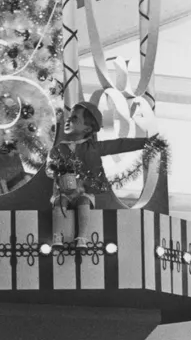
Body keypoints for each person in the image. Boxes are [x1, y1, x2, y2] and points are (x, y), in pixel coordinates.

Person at [47, 99, 157, 245]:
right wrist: (55, 172)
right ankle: (57, 236)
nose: (68, 120)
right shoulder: (58, 149)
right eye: (69, 117)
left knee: (84, 202)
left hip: (84, 191)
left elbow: (119, 144)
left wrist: (146, 142)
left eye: (74, 118)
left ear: (87, 129)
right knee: (60, 202)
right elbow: (49, 168)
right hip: (63, 192)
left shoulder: (94, 147)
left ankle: (82, 237)